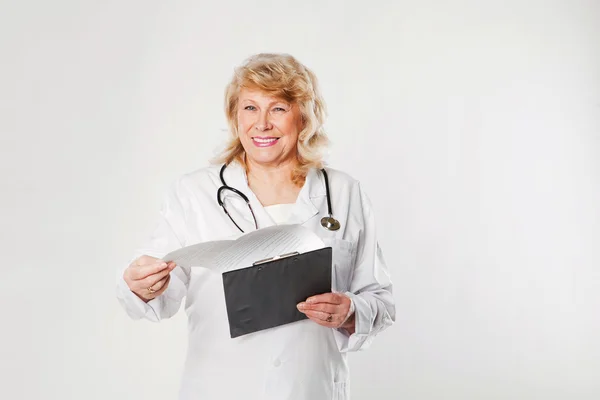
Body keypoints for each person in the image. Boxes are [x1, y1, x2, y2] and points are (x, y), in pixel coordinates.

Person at [116, 53, 395, 400]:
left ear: (303, 117)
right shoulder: (193, 193)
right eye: (250, 108)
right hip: (220, 387)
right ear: (235, 116)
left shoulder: (343, 192)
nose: (261, 124)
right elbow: (159, 290)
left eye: (278, 108)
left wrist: (351, 311)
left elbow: (380, 299)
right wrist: (142, 285)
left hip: (309, 389)